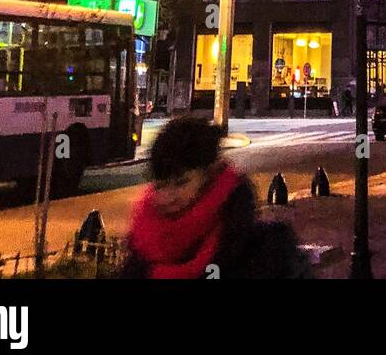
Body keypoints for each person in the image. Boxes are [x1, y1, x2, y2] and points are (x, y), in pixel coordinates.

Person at [121, 115, 309, 279]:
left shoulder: (263, 250)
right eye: (161, 185)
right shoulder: (142, 246)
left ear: (211, 175)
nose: (168, 197)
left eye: (182, 183)